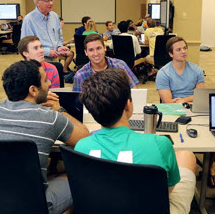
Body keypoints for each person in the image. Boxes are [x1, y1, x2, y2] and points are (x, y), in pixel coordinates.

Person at [75, 68, 198, 214]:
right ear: (128, 105)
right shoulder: (160, 143)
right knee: (187, 156)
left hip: (102, 210)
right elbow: (166, 192)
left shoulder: (81, 147)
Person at [0, 60, 90, 213]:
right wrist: (59, 109)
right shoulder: (50, 117)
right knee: (80, 176)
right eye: (45, 80)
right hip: (31, 206)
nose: (49, 83)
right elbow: (85, 139)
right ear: (33, 90)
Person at [20, 0, 75, 74]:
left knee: (54, 83)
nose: (51, 3)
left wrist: (59, 46)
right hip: (39, 60)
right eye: (47, 0)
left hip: (55, 58)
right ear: (37, 2)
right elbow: (25, 45)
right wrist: (47, 52)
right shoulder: (29, 19)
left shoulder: (54, 17)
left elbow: (59, 36)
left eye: (52, 0)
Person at [72, 34, 139, 91]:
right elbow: (78, 102)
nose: (96, 53)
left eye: (98, 48)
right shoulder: (80, 76)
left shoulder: (120, 65)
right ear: (86, 52)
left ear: (104, 48)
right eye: (91, 50)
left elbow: (134, 89)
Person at [156, 36, 205, 103]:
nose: (183, 52)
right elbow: (168, 102)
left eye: (185, 48)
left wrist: (184, 100)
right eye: (178, 50)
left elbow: (201, 96)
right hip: (172, 109)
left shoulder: (197, 70)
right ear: (171, 54)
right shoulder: (163, 73)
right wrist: (191, 99)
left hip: (192, 107)